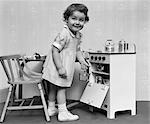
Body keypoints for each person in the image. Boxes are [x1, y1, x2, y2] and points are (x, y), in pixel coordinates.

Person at [42, 3, 89, 122]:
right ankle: (63, 112)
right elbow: (55, 50)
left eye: (81, 20)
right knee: (61, 88)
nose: (77, 22)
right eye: (74, 18)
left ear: (85, 21)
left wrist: (82, 61)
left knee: (53, 87)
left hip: (63, 65)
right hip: (58, 65)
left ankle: (51, 108)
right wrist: (60, 68)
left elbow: (77, 50)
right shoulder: (64, 34)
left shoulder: (77, 35)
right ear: (66, 19)